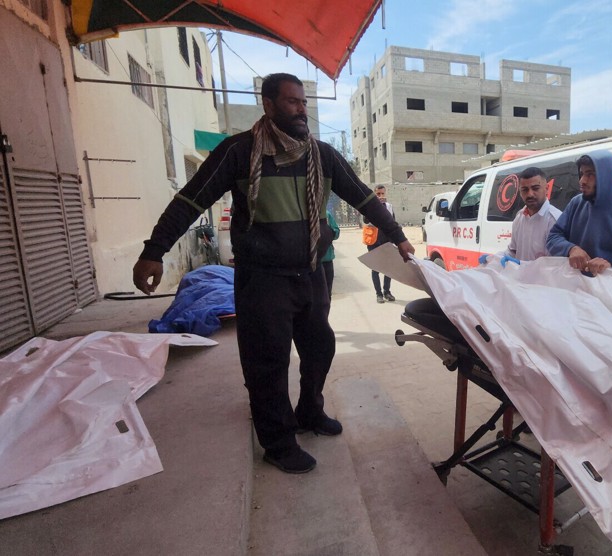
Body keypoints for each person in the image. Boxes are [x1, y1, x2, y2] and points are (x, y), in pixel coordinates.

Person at [132, 73, 414, 475]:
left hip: (311, 274)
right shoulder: (239, 152)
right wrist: (154, 251)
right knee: (267, 362)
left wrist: (399, 237)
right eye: (292, 102)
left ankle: (309, 412)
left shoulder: (323, 155)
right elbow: (190, 200)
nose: (301, 110)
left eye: (303, 102)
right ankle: (278, 442)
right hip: (262, 278)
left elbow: (364, 197)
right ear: (267, 104)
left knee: (320, 349)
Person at [546, 150, 612, 281]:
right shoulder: (576, 204)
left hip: (606, 297)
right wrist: (571, 249)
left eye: (590, 175)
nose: (582, 181)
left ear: (606, 177)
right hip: (572, 289)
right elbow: (553, 237)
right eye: (581, 174)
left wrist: (609, 270)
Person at [478, 166, 562, 267]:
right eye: (525, 190)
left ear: (547, 188)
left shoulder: (555, 220)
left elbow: (553, 265)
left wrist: (521, 264)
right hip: (519, 280)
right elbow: (512, 251)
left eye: (535, 188)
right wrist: (493, 259)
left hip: (542, 282)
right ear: (520, 192)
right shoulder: (520, 217)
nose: (530, 194)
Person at [364, 185, 396, 303]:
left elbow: (393, 224)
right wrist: (373, 206)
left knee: (389, 269)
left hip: (387, 242)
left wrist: (396, 241)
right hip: (373, 242)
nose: (380, 196)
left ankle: (387, 292)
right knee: (375, 269)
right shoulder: (370, 205)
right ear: (374, 194)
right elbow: (365, 220)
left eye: (382, 194)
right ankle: (379, 294)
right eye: (378, 194)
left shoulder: (389, 206)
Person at [321, 208, 340, 297]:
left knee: (327, 292)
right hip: (311, 262)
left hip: (327, 259)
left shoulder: (326, 214)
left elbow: (336, 232)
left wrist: (328, 232)